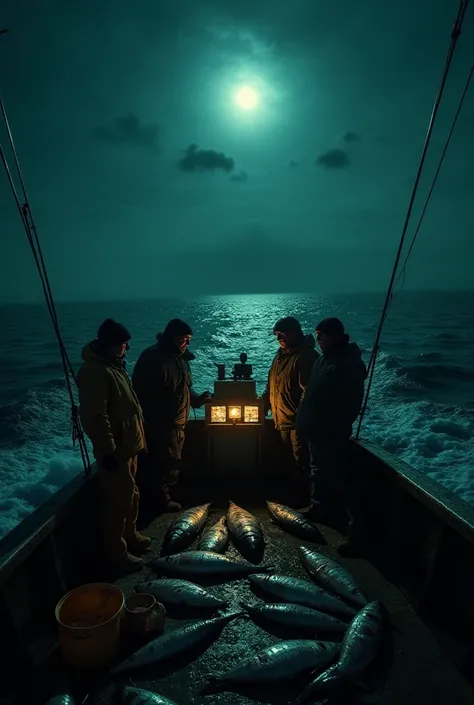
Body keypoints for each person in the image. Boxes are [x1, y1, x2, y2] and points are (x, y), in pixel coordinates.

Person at [76, 318, 150, 574]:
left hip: (128, 447)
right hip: (115, 451)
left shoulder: (113, 366)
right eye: (123, 344)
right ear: (109, 345)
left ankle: (131, 537)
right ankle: (116, 554)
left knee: (132, 496)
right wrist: (107, 451)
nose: (127, 348)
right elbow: (96, 416)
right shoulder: (95, 372)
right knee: (118, 503)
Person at [297, 317, 367, 556]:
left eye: (322, 335)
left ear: (335, 336)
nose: (318, 339)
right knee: (317, 470)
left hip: (332, 432)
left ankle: (357, 536)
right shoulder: (323, 359)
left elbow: (350, 402)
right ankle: (318, 509)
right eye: (316, 334)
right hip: (316, 430)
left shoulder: (348, 363)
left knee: (345, 481)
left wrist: (333, 425)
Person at [132, 318, 211, 513]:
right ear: (174, 337)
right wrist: (157, 418)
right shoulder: (152, 358)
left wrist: (196, 400)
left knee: (171, 462)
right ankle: (159, 502)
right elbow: (140, 393)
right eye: (185, 338)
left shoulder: (179, 358)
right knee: (161, 464)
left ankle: (163, 497)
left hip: (176, 423)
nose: (188, 343)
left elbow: (184, 387)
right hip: (161, 424)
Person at [262, 316, 319, 507]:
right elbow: (270, 387)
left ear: (295, 333)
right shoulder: (280, 357)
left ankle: (305, 502)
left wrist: (302, 420)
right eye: (277, 335)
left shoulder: (306, 357)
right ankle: (292, 498)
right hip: (283, 422)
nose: (279, 338)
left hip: (298, 424)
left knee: (302, 464)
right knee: (288, 464)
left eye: (282, 334)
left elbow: (309, 393)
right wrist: (263, 406)